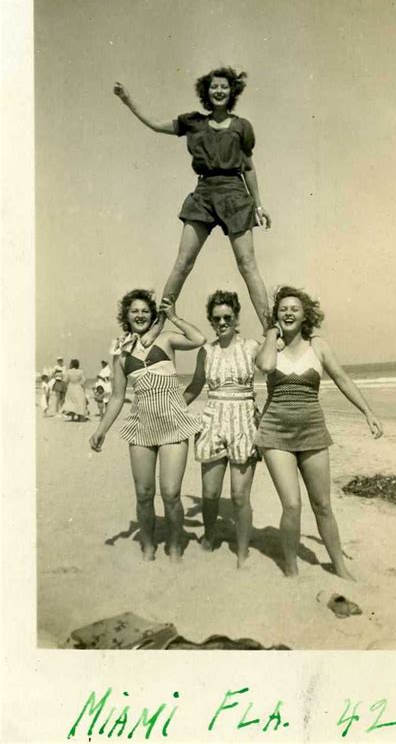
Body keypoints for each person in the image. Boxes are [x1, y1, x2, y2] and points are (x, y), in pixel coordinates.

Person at [113, 67, 271, 342]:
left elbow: (248, 167)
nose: (218, 91)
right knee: (183, 262)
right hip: (204, 192)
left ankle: (270, 330)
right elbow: (155, 124)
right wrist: (128, 102)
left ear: (231, 91)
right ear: (206, 92)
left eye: (223, 86)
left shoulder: (242, 126)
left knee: (247, 265)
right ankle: (159, 322)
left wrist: (259, 206)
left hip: (235, 192)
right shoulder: (194, 122)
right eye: (213, 87)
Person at [255, 286, 383, 580]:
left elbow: (342, 379)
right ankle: (290, 568)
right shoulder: (268, 346)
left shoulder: (319, 346)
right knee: (292, 505)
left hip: (312, 430)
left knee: (323, 505)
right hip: (275, 432)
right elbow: (264, 367)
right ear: (276, 315)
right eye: (283, 309)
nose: (288, 313)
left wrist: (368, 411)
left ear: (304, 316)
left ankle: (339, 566)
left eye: (294, 309)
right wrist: (271, 334)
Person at [89, 289, 205, 562]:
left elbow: (199, 339)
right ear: (126, 317)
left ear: (152, 315)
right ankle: (148, 545)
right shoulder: (120, 351)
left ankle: (175, 546)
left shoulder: (165, 340)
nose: (139, 315)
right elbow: (117, 397)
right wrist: (100, 430)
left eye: (144, 310)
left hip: (174, 424)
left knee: (171, 493)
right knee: (143, 493)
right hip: (141, 426)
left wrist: (172, 316)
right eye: (134, 311)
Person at [184, 291, 260, 569]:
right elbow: (194, 387)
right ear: (211, 321)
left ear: (237, 317)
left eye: (228, 317)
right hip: (213, 419)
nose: (223, 322)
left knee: (240, 496)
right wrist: (171, 410)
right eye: (217, 318)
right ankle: (210, 535)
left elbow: (274, 373)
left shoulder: (252, 347)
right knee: (210, 494)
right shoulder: (206, 351)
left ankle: (242, 551)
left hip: (244, 420)